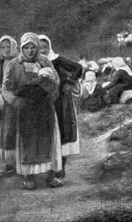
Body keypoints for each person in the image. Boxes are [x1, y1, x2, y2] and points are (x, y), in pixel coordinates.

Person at [2, 33, 63, 190]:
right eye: (26, 48)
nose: (30, 51)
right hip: (25, 109)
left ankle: (51, 175)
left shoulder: (44, 61)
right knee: (27, 142)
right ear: (22, 48)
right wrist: (17, 101)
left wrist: (51, 93)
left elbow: (55, 80)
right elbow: (6, 88)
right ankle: (29, 177)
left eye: (33, 47)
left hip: (44, 107)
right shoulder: (13, 64)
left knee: (49, 139)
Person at [38, 35, 83, 180]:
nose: (43, 50)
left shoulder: (57, 60)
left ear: (49, 47)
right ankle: (48, 168)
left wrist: (69, 82)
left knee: (63, 132)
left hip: (60, 101)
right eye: (39, 48)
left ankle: (61, 168)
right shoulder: (34, 62)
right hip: (43, 102)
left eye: (45, 47)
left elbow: (78, 67)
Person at [0, 35, 19, 176]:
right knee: (4, 132)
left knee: (17, 130)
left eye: (8, 47)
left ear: (14, 46)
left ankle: (19, 162)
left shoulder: (20, 61)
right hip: (2, 102)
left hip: (16, 101)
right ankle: (7, 163)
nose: (6, 50)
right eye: (3, 47)